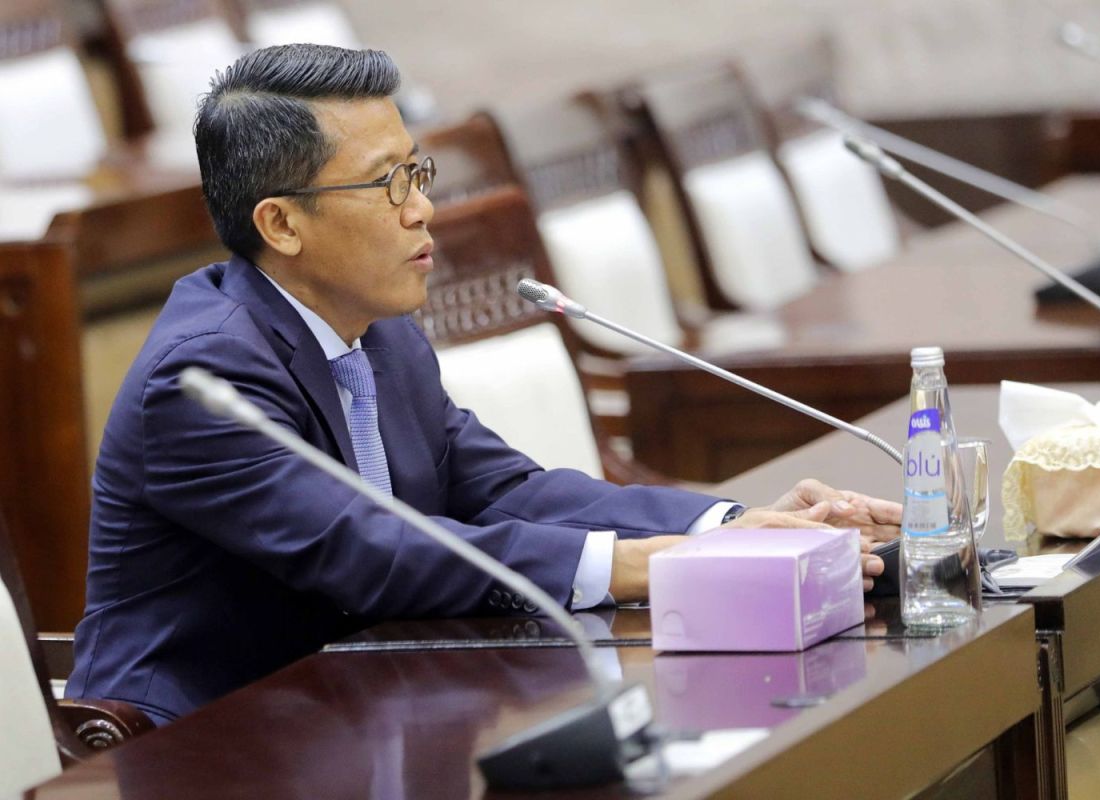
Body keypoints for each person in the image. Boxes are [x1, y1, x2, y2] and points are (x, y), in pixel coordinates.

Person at [67, 44, 900, 726]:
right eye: (387, 183)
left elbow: (504, 490)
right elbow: (372, 553)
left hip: (365, 702)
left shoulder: (382, 332)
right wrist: (655, 565)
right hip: (212, 740)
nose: (422, 209)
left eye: (418, 172)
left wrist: (722, 525)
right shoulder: (204, 380)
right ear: (281, 223)